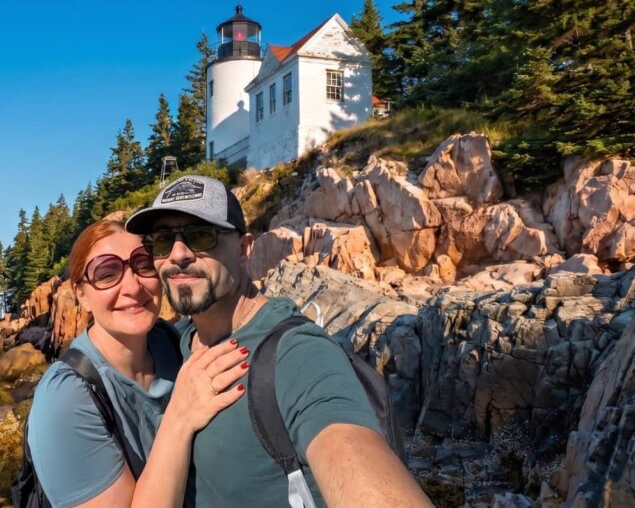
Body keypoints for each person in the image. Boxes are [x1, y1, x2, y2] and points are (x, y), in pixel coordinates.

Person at [125, 175, 433, 508]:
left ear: (245, 248)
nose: (178, 254)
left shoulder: (299, 354)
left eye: (201, 236)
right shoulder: (180, 341)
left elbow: (351, 451)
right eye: (162, 241)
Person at [27, 219, 250, 508]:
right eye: (106, 273)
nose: (133, 286)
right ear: (81, 293)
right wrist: (179, 418)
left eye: (143, 263)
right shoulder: (66, 400)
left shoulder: (174, 342)